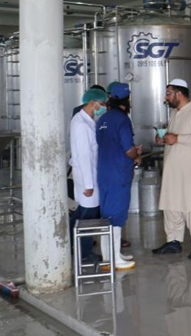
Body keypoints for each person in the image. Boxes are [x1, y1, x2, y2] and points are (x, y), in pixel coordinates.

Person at [153, 78, 191, 259]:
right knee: (171, 206)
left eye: (169, 93)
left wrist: (177, 138)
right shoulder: (174, 114)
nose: (166, 97)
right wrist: (163, 139)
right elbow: (173, 137)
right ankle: (173, 241)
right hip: (172, 171)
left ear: (179, 93)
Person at [96, 82, 140, 270]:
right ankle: (114, 259)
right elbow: (127, 148)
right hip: (118, 173)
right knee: (117, 215)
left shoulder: (103, 119)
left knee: (107, 214)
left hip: (104, 172)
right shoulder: (122, 120)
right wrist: (136, 155)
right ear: (126, 100)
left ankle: (109, 256)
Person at [68, 88, 107, 264]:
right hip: (86, 177)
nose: (103, 107)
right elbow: (84, 156)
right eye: (102, 103)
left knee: (81, 214)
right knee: (88, 216)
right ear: (93, 103)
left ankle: (69, 242)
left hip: (88, 174)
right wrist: (89, 185)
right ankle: (84, 253)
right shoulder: (81, 125)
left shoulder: (86, 120)